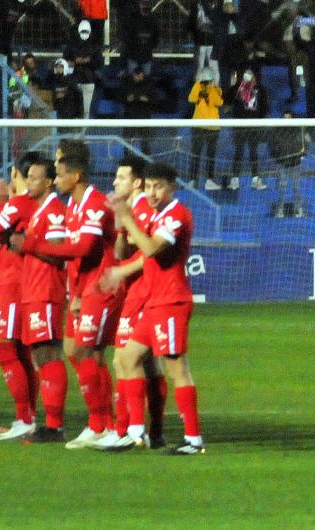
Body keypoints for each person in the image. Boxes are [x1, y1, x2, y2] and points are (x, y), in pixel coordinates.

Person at [100, 162, 206, 455]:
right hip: (154, 301)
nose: (152, 192)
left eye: (159, 186)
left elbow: (149, 248)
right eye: (148, 186)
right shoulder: (149, 210)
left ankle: (193, 440)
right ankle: (136, 432)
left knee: (177, 369)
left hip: (172, 301)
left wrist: (126, 218)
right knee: (126, 357)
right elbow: (133, 244)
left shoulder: (177, 215)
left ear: (173, 187)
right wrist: (126, 221)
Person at [21, 155, 119, 449]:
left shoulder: (87, 205)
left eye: (60, 173)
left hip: (97, 287)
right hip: (82, 290)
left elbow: (82, 248)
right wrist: (75, 293)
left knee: (88, 352)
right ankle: (103, 424)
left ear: (75, 175)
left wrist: (31, 244)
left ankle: (105, 425)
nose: (56, 177)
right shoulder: (74, 206)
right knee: (78, 352)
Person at [0, 154, 49, 441]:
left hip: (11, 287)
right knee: (21, 354)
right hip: (23, 284)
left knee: (4, 350)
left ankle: (25, 418)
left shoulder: (19, 205)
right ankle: (28, 416)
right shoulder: (31, 206)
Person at [93, 155, 168, 450]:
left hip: (144, 292)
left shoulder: (144, 209)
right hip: (137, 292)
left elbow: (146, 253)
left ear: (136, 182)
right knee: (146, 364)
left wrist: (121, 270)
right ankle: (151, 432)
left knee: (124, 360)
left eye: (121, 177)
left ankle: (130, 430)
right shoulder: (133, 209)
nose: (114, 182)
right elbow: (123, 251)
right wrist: (121, 224)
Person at [9, 158, 68, 442]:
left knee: (48, 355)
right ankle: (50, 423)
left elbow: (58, 250)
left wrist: (26, 245)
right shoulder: (39, 211)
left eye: (34, 178)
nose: (28, 182)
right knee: (40, 356)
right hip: (34, 291)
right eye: (27, 177)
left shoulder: (54, 211)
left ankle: (55, 425)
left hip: (46, 291)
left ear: (49, 182)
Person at [226, 67, 268, 191]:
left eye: (249, 73)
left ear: (254, 75)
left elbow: (264, 107)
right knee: (238, 152)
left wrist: (260, 122)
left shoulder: (260, 89)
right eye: (245, 73)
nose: (247, 75)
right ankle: (235, 180)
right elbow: (228, 100)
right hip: (239, 126)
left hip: (254, 127)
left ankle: (255, 179)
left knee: (253, 152)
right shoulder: (237, 88)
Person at [187, 66, 223, 190]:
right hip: (199, 125)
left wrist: (210, 89)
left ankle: (209, 180)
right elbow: (191, 98)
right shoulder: (197, 87)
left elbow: (219, 102)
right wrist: (200, 88)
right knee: (196, 154)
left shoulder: (215, 89)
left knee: (210, 155)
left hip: (212, 127)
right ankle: (192, 180)